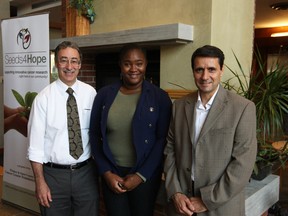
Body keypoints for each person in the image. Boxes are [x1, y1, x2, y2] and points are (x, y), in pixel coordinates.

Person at [164, 45, 257, 216]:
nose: (205, 76)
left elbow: (242, 165)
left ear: (221, 70)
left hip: (221, 206)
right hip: (181, 204)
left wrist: (207, 200)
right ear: (193, 71)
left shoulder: (243, 108)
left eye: (211, 69)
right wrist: (175, 192)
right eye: (199, 69)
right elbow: (170, 150)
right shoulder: (179, 105)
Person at [89, 43, 172, 216]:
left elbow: (162, 139)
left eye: (139, 63)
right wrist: (106, 172)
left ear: (146, 64)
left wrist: (141, 175)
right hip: (112, 172)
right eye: (127, 63)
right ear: (120, 65)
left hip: (145, 174)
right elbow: (95, 135)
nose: (133, 68)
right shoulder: (104, 95)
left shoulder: (160, 97)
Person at [27, 41, 98, 216]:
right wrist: (40, 182)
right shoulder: (43, 99)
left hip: (86, 174)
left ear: (80, 65)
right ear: (56, 63)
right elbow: (35, 147)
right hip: (53, 177)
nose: (69, 66)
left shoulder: (91, 94)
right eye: (64, 60)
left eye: (74, 61)